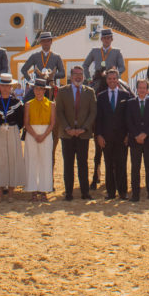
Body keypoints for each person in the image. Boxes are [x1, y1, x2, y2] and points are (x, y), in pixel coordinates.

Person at [54, 65, 97, 200]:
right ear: (71, 76)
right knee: (68, 164)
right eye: (75, 74)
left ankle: (85, 192)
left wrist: (83, 128)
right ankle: (68, 193)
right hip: (67, 134)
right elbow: (59, 111)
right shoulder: (62, 91)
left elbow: (93, 112)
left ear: (83, 77)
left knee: (83, 164)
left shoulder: (89, 92)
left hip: (83, 134)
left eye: (80, 74)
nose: (78, 77)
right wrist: (68, 128)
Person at [0, 73, 25, 200]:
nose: (5, 88)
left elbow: (21, 121)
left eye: (7, 86)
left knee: (12, 159)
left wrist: (13, 128)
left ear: (11, 87)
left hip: (13, 130)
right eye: (2, 85)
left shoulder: (17, 102)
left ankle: (12, 193)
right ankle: (0, 192)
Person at [95, 69, 131, 199]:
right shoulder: (101, 96)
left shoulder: (125, 95)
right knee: (108, 165)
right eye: (109, 79)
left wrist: (128, 135)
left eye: (114, 79)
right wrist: (99, 135)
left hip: (122, 138)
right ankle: (110, 192)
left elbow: (128, 118)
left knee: (122, 164)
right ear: (106, 80)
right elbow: (98, 119)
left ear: (118, 80)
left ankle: (123, 192)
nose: (112, 81)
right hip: (106, 137)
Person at [125, 78, 149, 202]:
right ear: (137, 89)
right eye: (140, 88)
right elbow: (128, 121)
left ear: (147, 90)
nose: (141, 90)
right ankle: (135, 194)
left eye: (144, 88)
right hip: (135, 141)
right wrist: (136, 135)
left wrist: (144, 134)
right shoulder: (130, 103)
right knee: (135, 168)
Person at [23, 78, 55, 201]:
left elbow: (52, 123)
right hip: (32, 134)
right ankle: (33, 190)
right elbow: (26, 123)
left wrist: (43, 135)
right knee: (32, 161)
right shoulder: (28, 104)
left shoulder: (51, 104)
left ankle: (44, 189)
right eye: (36, 89)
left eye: (41, 89)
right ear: (34, 90)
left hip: (46, 134)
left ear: (44, 91)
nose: (38, 91)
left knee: (45, 161)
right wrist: (35, 135)